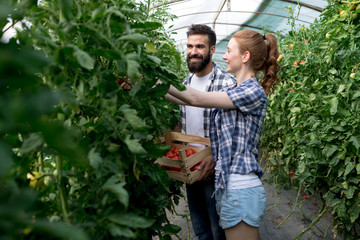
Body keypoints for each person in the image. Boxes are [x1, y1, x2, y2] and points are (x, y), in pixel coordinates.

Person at [162, 29, 280, 240]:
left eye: (229, 50)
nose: (224, 56)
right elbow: (185, 99)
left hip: (240, 188)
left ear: (245, 56)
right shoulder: (236, 89)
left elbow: (195, 99)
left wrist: (155, 76)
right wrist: (144, 85)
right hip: (229, 186)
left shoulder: (251, 91)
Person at [170, 24, 236, 240]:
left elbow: (234, 132)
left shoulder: (226, 83)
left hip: (215, 168)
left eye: (200, 46)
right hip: (191, 166)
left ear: (212, 49)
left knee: (220, 230)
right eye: (190, 46)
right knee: (200, 229)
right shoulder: (185, 83)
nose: (193, 51)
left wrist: (213, 155)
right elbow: (184, 123)